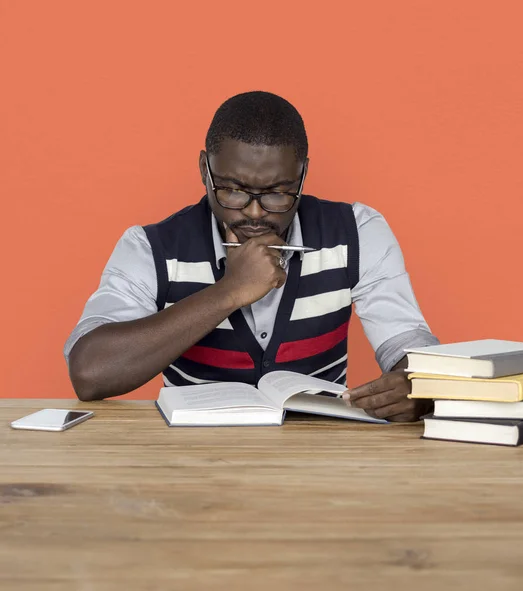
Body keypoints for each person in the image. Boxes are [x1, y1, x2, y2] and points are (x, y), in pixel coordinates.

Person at [65, 91, 439, 421]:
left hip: (321, 458)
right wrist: (230, 291)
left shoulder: (358, 232)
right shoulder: (150, 247)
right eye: (233, 190)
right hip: (190, 461)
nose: (255, 213)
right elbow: (91, 372)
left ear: (303, 174)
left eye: (278, 192)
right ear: (204, 171)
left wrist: (418, 387)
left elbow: (410, 350)